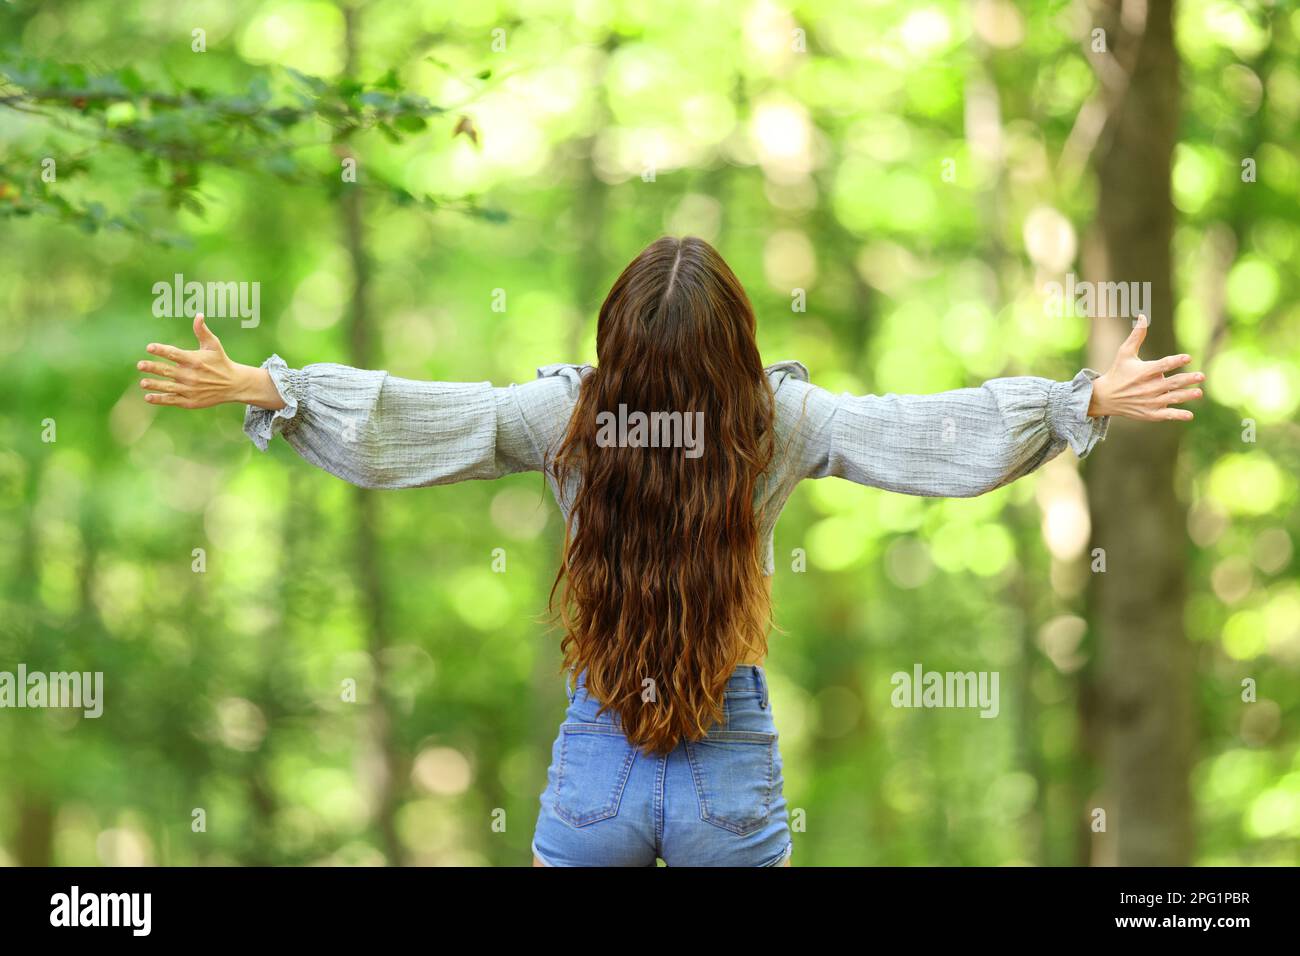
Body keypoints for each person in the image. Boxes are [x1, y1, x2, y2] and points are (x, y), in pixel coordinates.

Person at [136, 236, 1204, 866]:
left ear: (614, 341)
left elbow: (421, 419)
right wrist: (1078, 402)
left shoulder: (565, 417)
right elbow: (925, 432)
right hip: (728, 767)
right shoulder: (777, 425)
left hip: (595, 761)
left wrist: (273, 389)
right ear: (737, 342)